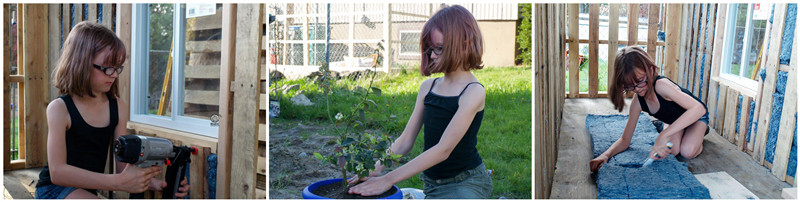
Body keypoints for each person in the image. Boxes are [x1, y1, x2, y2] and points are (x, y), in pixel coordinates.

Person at [346, 5, 492, 199]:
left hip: (466, 182)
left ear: (463, 43)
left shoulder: (473, 92)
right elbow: (405, 141)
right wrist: (375, 169)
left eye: (439, 48)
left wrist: (387, 180)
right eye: (430, 49)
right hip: (431, 183)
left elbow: (443, 150)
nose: (431, 55)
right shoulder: (428, 87)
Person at [35, 21, 190, 199]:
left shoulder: (117, 106)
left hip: (88, 191)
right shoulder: (60, 109)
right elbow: (58, 172)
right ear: (81, 63)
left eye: (117, 68)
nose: (115, 75)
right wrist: (116, 182)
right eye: (108, 68)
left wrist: (154, 183)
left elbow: (122, 166)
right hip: (54, 189)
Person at [590, 46, 709, 173]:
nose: (637, 89)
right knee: (671, 151)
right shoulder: (637, 102)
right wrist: (605, 155)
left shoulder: (661, 86)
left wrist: (663, 135)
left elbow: (698, 108)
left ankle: (699, 133)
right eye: (630, 86)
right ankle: (670, 128)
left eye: (640, 81)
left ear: (651, 70)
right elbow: (625, 140)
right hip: (674, 120)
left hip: (696, 117)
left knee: (687, 151)